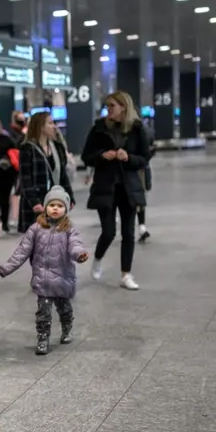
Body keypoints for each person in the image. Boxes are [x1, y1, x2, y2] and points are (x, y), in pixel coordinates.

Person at [0, 186, 89, 355]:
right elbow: (22, 251)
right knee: (43, 313)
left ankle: (67, 327)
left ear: (66, 209)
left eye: (60, 206)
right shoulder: (36, 228)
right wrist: (7, 268)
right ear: (45, 207)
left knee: (65, 309)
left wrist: (79, 255)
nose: (55, 208)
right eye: (52, 205)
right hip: (43, 280)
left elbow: (76, 245)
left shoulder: (69, 229)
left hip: (62, 279)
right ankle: (43, 338)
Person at [82, 91, 150, 291]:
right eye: (107, 106)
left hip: (129, 187)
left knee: (128, 232)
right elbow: (86, 156)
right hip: (106, 186)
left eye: (112, 106)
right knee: (109, 231)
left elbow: (144, 158)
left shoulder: (137, 128)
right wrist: (102, 155)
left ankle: (126, 274)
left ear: (123, 107)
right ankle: (98, 258)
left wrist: (128, 157)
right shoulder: (99, 128)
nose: (108, 110)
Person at [17, 112, 76, 233]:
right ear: (40, 126)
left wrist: (70, 196)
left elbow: (63, 175)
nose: (54, 126)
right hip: (37, 202)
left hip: (55, 200)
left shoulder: (57, 147)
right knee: (37, 239)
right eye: (50, 123)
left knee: (56, 239)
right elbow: (25, 178)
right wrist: (34, 202)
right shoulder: (27, 148)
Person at [137, 119, 155, 243]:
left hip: (136, 170)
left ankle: (141, 226)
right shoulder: (146, 131)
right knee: (140, 198)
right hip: (141, 170)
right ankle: (142, 226)